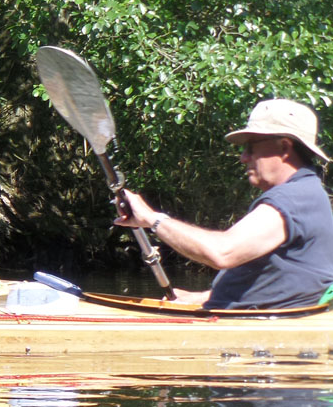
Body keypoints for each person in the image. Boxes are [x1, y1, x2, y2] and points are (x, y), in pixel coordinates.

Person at [114, 98, 333, 309]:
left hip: (259, 326)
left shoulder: (294, 198)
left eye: (251, 147)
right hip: (248, 319)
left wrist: (151, 218)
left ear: (284, 147)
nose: (243, 157)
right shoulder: (306, 194)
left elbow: (222, 253)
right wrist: (204, 297)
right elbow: (281, 277)